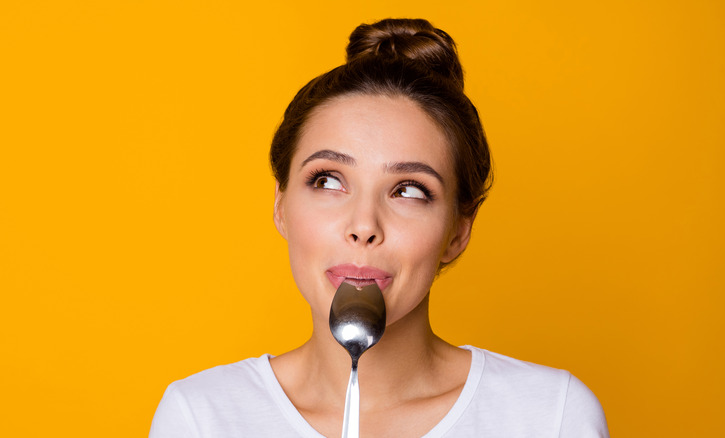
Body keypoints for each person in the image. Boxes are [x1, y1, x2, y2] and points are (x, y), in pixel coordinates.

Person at [149, 18, 609, 437]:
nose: (364, 226)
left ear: (458, 230)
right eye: (328, 181)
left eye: (409, 190)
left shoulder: (551, 416)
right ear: (282, 205)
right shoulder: (201, 417)